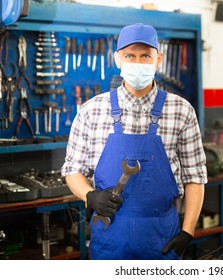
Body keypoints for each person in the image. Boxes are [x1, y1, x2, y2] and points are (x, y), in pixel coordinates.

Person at [61, 23, 207, 260]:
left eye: (145, 56)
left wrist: (188, 232)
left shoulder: (182, 110)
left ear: (158, 59)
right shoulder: (91, 110)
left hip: (162, 238)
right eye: (130, 56)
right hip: (110, 234)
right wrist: (90, 196)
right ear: (117, 59)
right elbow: (72, 170)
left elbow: (195, 176)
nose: (137, 63)